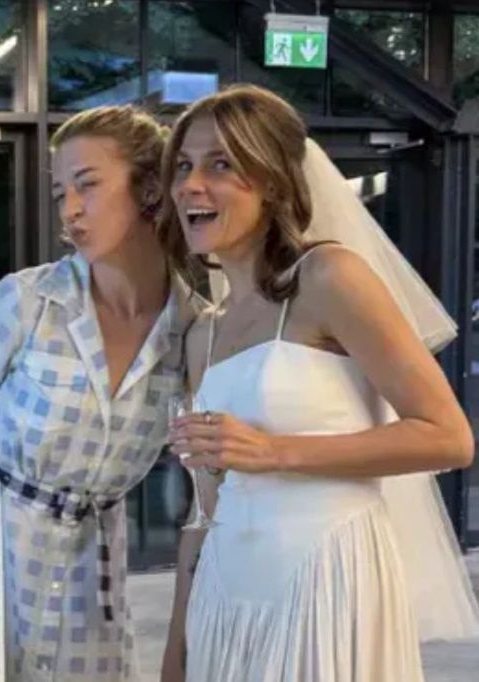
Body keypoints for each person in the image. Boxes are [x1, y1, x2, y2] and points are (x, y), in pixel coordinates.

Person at [159, 84, 479, 682]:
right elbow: (204, 513)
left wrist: (274, 451)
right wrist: (176, 653)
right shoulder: (204, 331)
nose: (189, 185)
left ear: (273, 181)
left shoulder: (329, 276)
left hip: (327, 579)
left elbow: (448, 437)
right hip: (225, 594)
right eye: (183, 166)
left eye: (220, 164)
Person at [0, 105, 197, 681]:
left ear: (150, 188)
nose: (70, 209)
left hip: (93, 561)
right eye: (62, 192)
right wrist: (2, 496)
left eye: (88, 184)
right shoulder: (27, 300)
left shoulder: (191, 327)